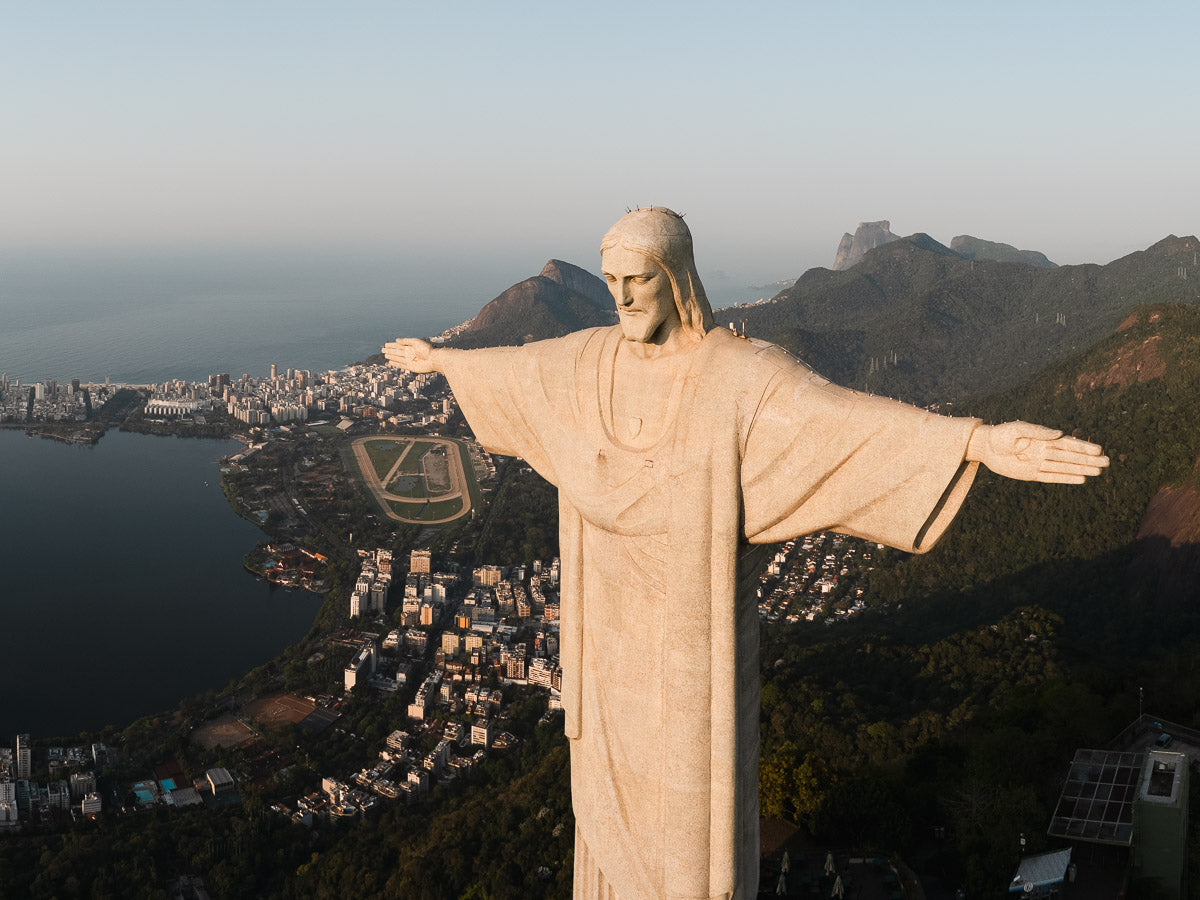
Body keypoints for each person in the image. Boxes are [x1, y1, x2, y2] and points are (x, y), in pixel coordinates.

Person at [384, 208, 1108, 900]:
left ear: (677, 275)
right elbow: (518, 371)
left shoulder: (740, 378)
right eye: (612, 282)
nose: (624, 296)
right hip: (606, 663)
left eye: (639, 278)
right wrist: (443, 360)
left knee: (690, 855)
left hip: (688, 675)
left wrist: (974, 442)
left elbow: (838, 422)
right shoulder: (586, 363)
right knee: (602, 831)